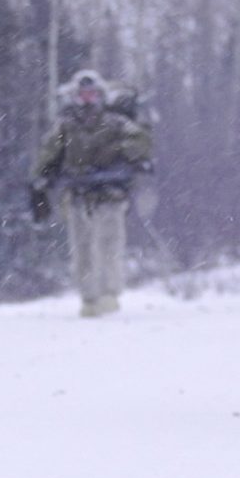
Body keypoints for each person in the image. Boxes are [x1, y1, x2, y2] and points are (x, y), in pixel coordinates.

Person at [33, 70, 155, 317]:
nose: (87, 100)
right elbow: (48, 152)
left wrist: (129, 155)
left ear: (101, 96)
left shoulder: (116, 122)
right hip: (77, 196)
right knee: (82, 249)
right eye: (82, 94)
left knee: (109, 245)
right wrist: (40, 180)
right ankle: (89, 297)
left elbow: (141, 143)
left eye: (92, 94)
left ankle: (109, 293)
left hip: (110, 195)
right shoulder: (66, 125)